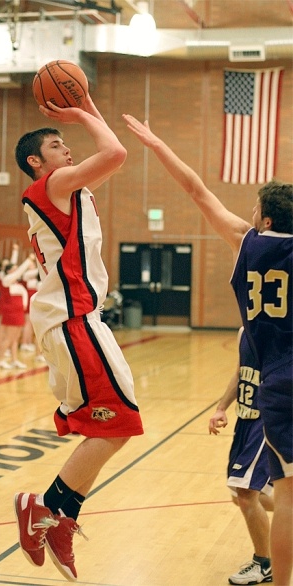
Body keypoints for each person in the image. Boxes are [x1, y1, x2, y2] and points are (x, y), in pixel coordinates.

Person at [122, 114, 292, 586]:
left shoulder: (247, 243)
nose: (250, 211)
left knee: (259, 491)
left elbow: (198, 190)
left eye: (256, 207)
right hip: (270, 383)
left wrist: (158, 144)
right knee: (269, 490)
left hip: (275, 388)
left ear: (267, 218)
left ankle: (269, 566)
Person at [14, 95, 143, 582]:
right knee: (121, 424)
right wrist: (82, 111)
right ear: (35, 161)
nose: (67, 148)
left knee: (111, 426)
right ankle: (42, 508)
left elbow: (107, 153)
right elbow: (115, 153)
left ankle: (61, 518)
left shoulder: (70, 189)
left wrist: (87, 103)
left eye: (67, 142)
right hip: (73, 321)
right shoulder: (52, 186)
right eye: (55, 143)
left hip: (72, 321)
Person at [209, 326, 273, 584]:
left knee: (246, 493)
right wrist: (221, 407)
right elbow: (240, 374)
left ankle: (264, 564)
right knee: (243, 496)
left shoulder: (282, 331)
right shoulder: (245, 331)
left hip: (267, 419)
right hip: (245, 420)